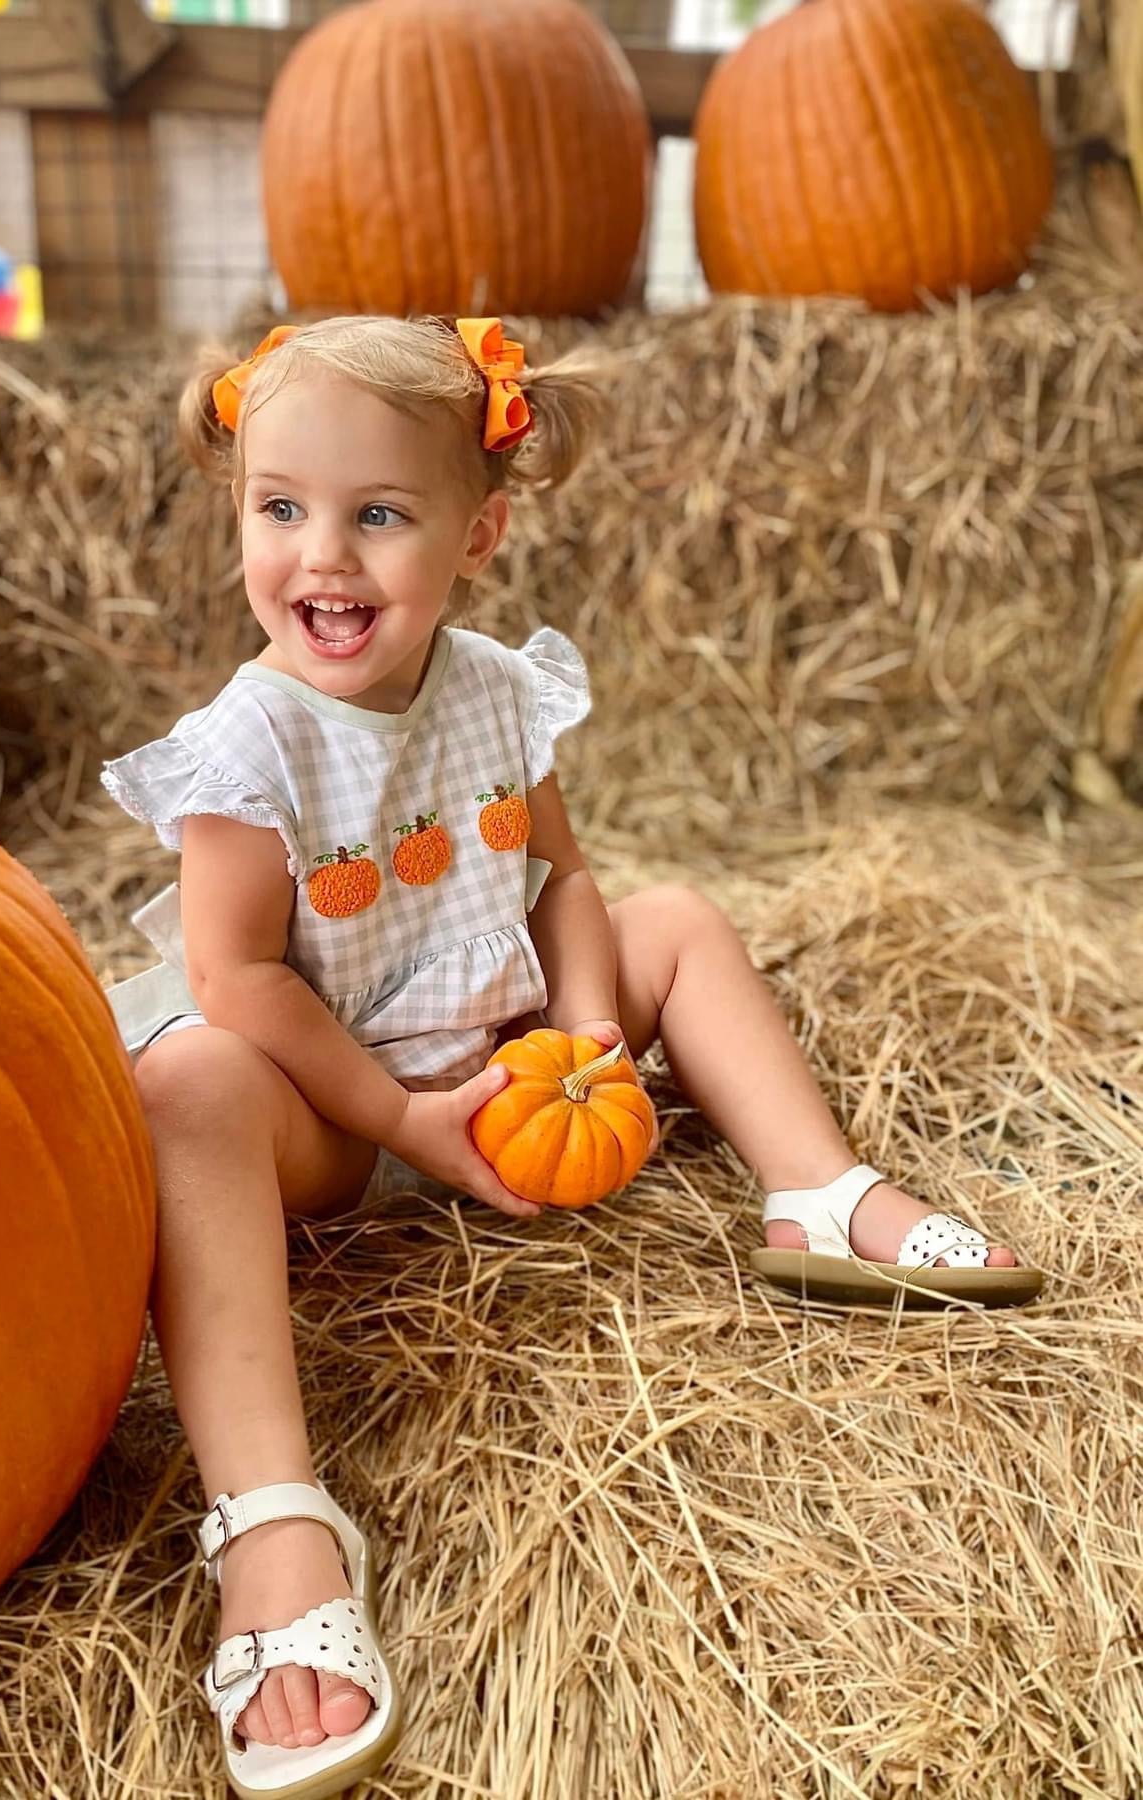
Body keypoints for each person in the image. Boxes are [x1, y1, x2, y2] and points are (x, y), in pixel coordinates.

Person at [101, 314, 1042, 1799]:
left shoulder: (494, 688)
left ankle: (815, 1188)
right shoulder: (244, 749)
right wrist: (409, 1124)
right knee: (185, 1080)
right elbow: (241, 980)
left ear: (478, 536)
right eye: (279, 509)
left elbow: (564, 884)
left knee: (677, 916)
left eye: (378, 516)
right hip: (337, 1114)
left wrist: (587, 1030)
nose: (321, 558)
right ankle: (276, 1522)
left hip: (499, 1048)